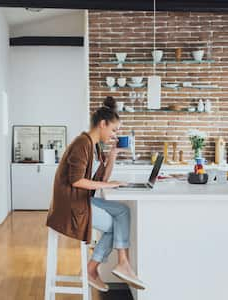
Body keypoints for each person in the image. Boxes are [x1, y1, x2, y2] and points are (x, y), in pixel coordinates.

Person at [46, 96, 145, 292]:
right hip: (71, 206)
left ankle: (122, 263)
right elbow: (76, 181)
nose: (115, 134)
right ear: (102, 124)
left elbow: (103, 180)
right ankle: (93, 269)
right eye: (114, 130)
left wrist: (113, 154)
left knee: (123, 212)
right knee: (116, 225)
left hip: (80, 200)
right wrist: (110, 184)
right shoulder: (82, 144)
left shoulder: (94, 145)